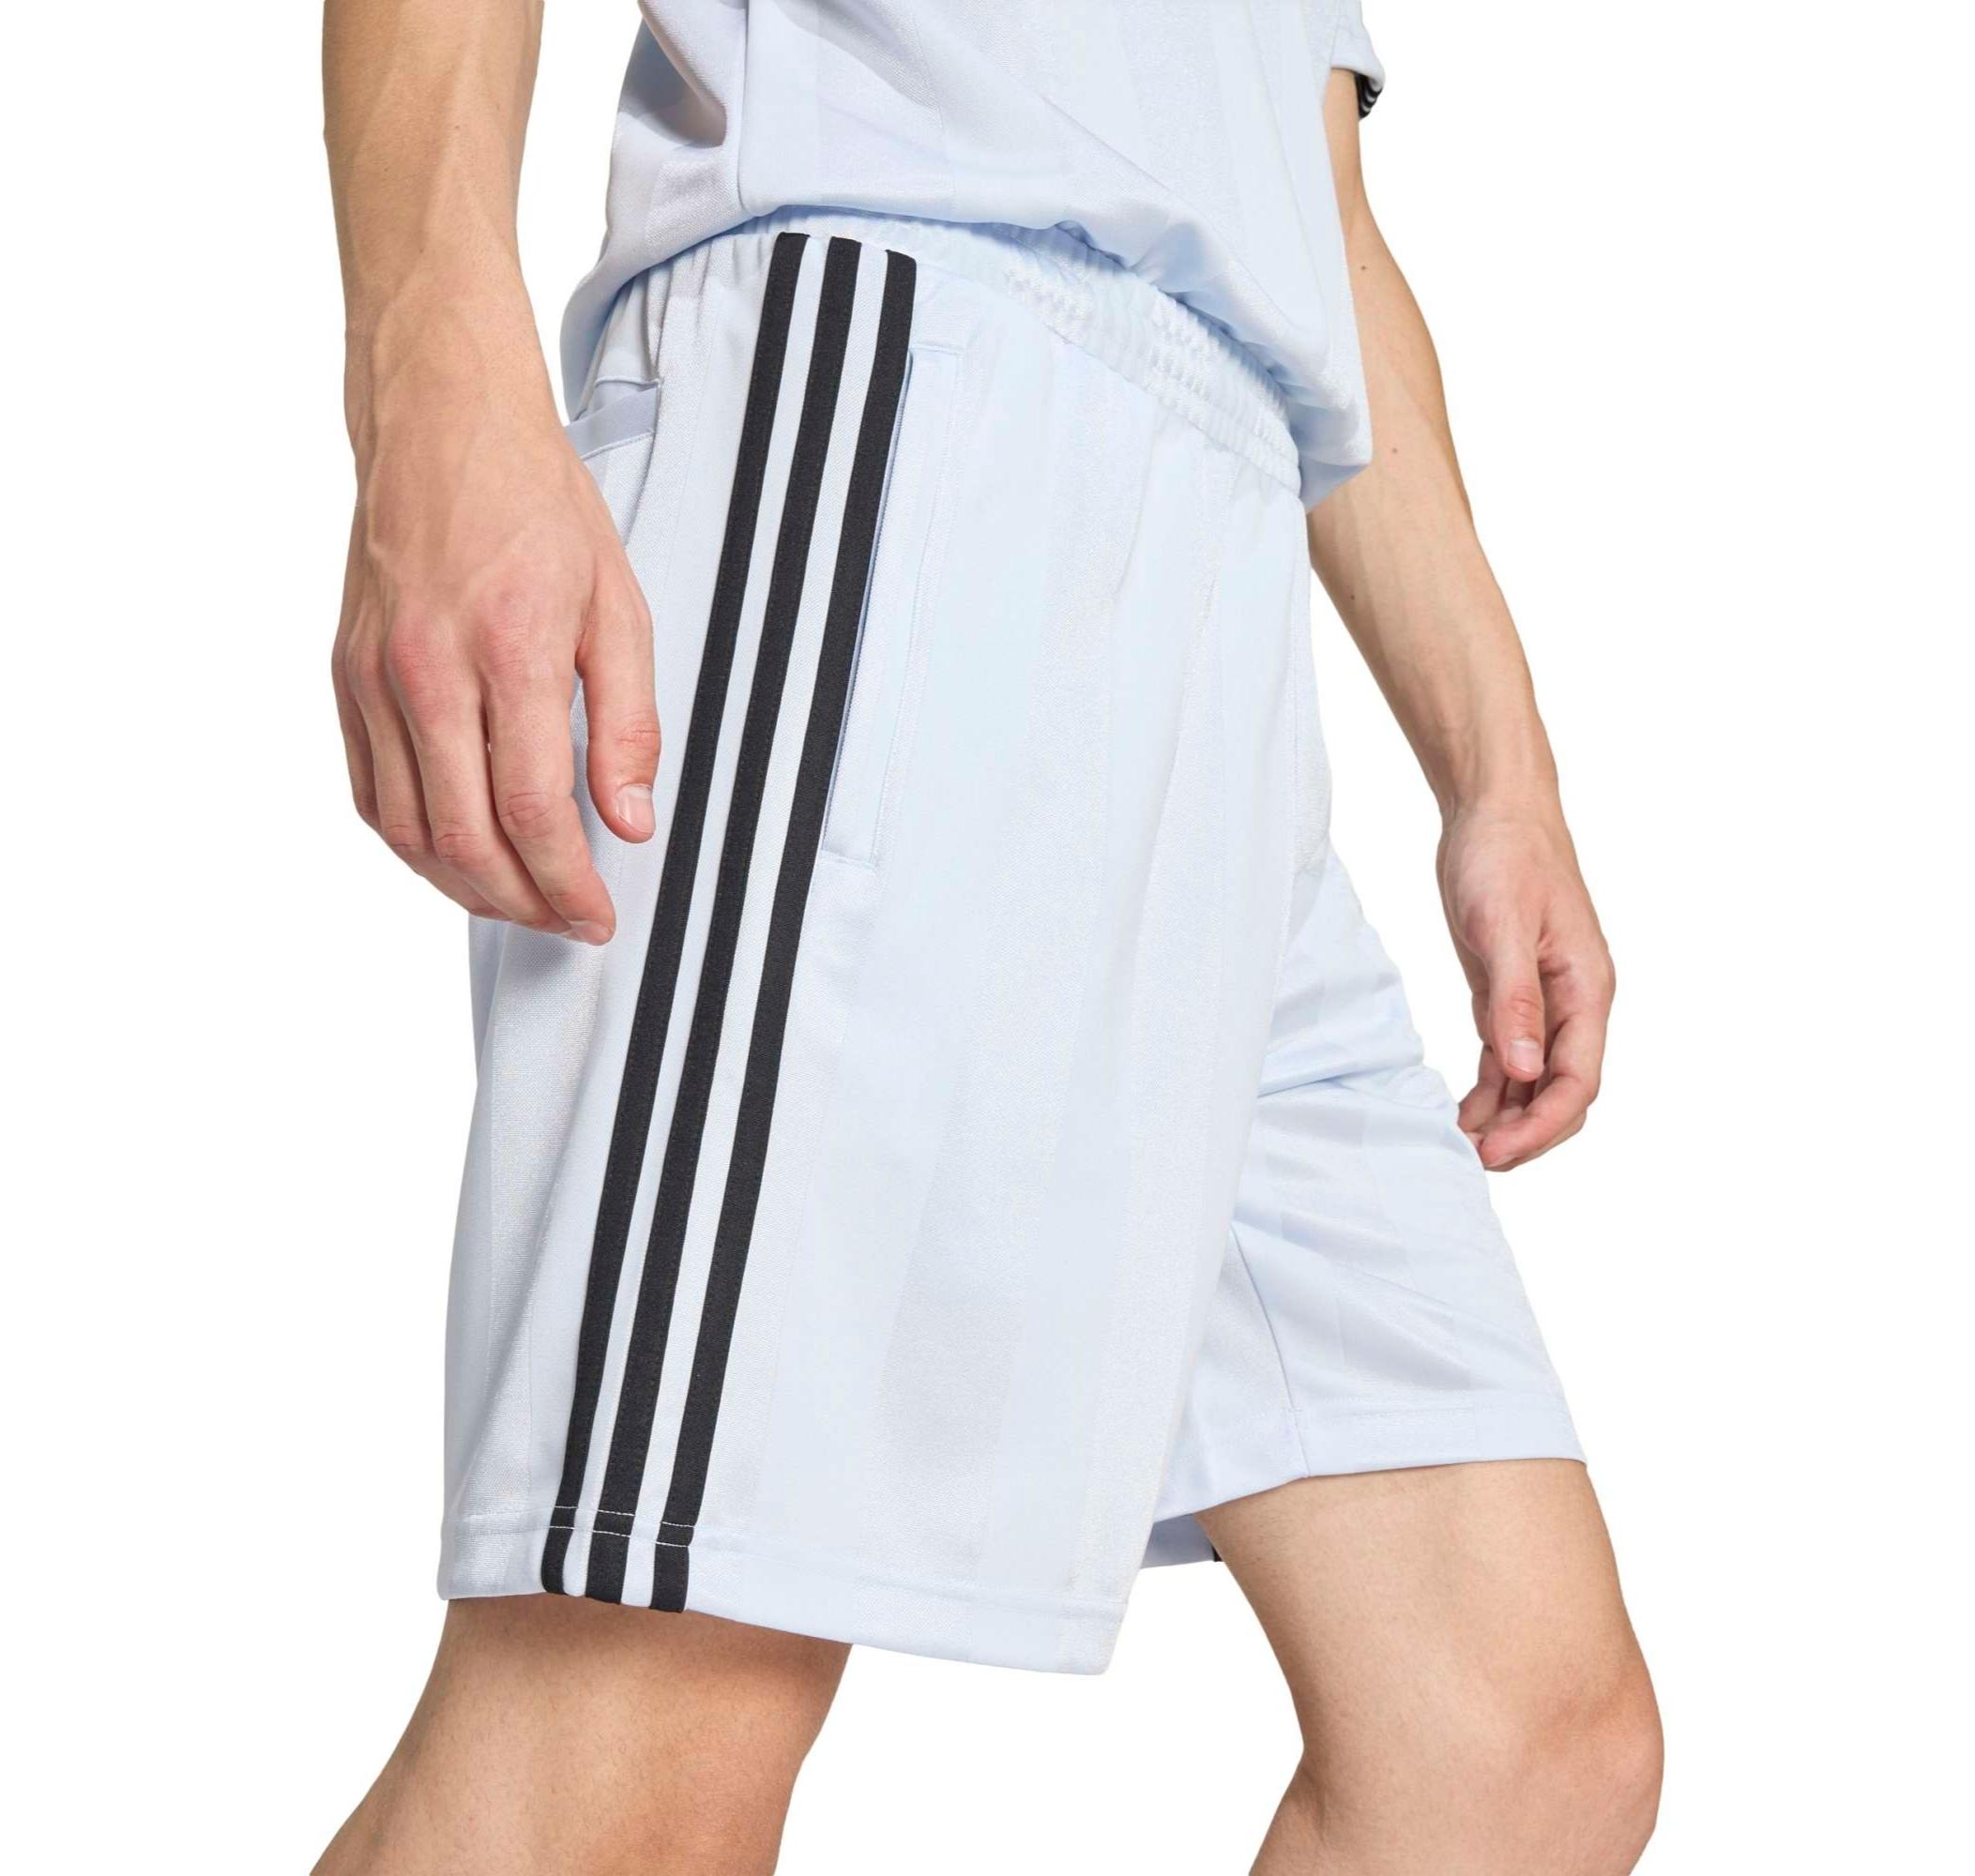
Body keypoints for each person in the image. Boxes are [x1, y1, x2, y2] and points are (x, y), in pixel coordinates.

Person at [315, 2, 1661, 1869]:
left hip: (1221, 563)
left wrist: (1499, 770)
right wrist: (430, 384)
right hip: (895, 415)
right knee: (642, 1723)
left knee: (1513, 1738)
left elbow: (1317, 201)